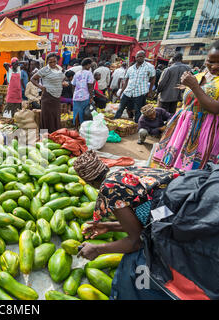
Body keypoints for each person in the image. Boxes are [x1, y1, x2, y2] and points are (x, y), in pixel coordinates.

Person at [73, 150, 181, 300]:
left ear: (89, 182)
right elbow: (148, 219)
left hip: (179, 229)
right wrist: (110, 226)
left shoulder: (110, 190)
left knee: (132, 270)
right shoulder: (126, 172)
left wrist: (97, 249)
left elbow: (137, 241)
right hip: (179, 210)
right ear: (104, 166)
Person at [151, 40, 219, 171]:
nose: (214, 66)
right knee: (170, 168)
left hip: (205, 131)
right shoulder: (199, 75)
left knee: (193, 173)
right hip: (182, 127)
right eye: (211, 61)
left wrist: (194, 87)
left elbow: (215, 108)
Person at [114, 51, 156, 123]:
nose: (139, 58)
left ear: (144, 57)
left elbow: (153, 79)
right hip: (128, 92)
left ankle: (137, 124)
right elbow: (126, 81)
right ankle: (115, 121)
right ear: (135, 58)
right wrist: (121, 92)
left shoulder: (149, 67)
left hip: (140, 92)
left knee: (138, 111)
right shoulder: (131, 68)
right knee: (120, 108)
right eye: (138, 56)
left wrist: (150, 91)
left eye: (141, 56)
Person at [31, 53, 67, 133]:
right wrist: (40, 87)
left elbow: (61, 79)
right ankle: (45, 137)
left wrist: (63, 83)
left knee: (55, 116)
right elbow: (33, 79)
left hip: (57, 98)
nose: (53, 64)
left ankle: (55, 135)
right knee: (47, 117)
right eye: (50, 62)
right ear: (47, 62)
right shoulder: (45, 70)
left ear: (57, 61)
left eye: (54, 61)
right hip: (48, 97)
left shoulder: (60, 69)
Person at [70, 58, 95, 127]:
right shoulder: (89, 73)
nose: (90, 67)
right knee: (84, 114)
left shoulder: (77, 73)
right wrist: (91, 97)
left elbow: (73, 85)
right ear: (87, 65)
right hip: (85, 96)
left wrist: (74, 94)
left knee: (77, 113)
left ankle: (76, 127)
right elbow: (90, 86)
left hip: (76, 97)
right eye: (90, 65)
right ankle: (83, 128)